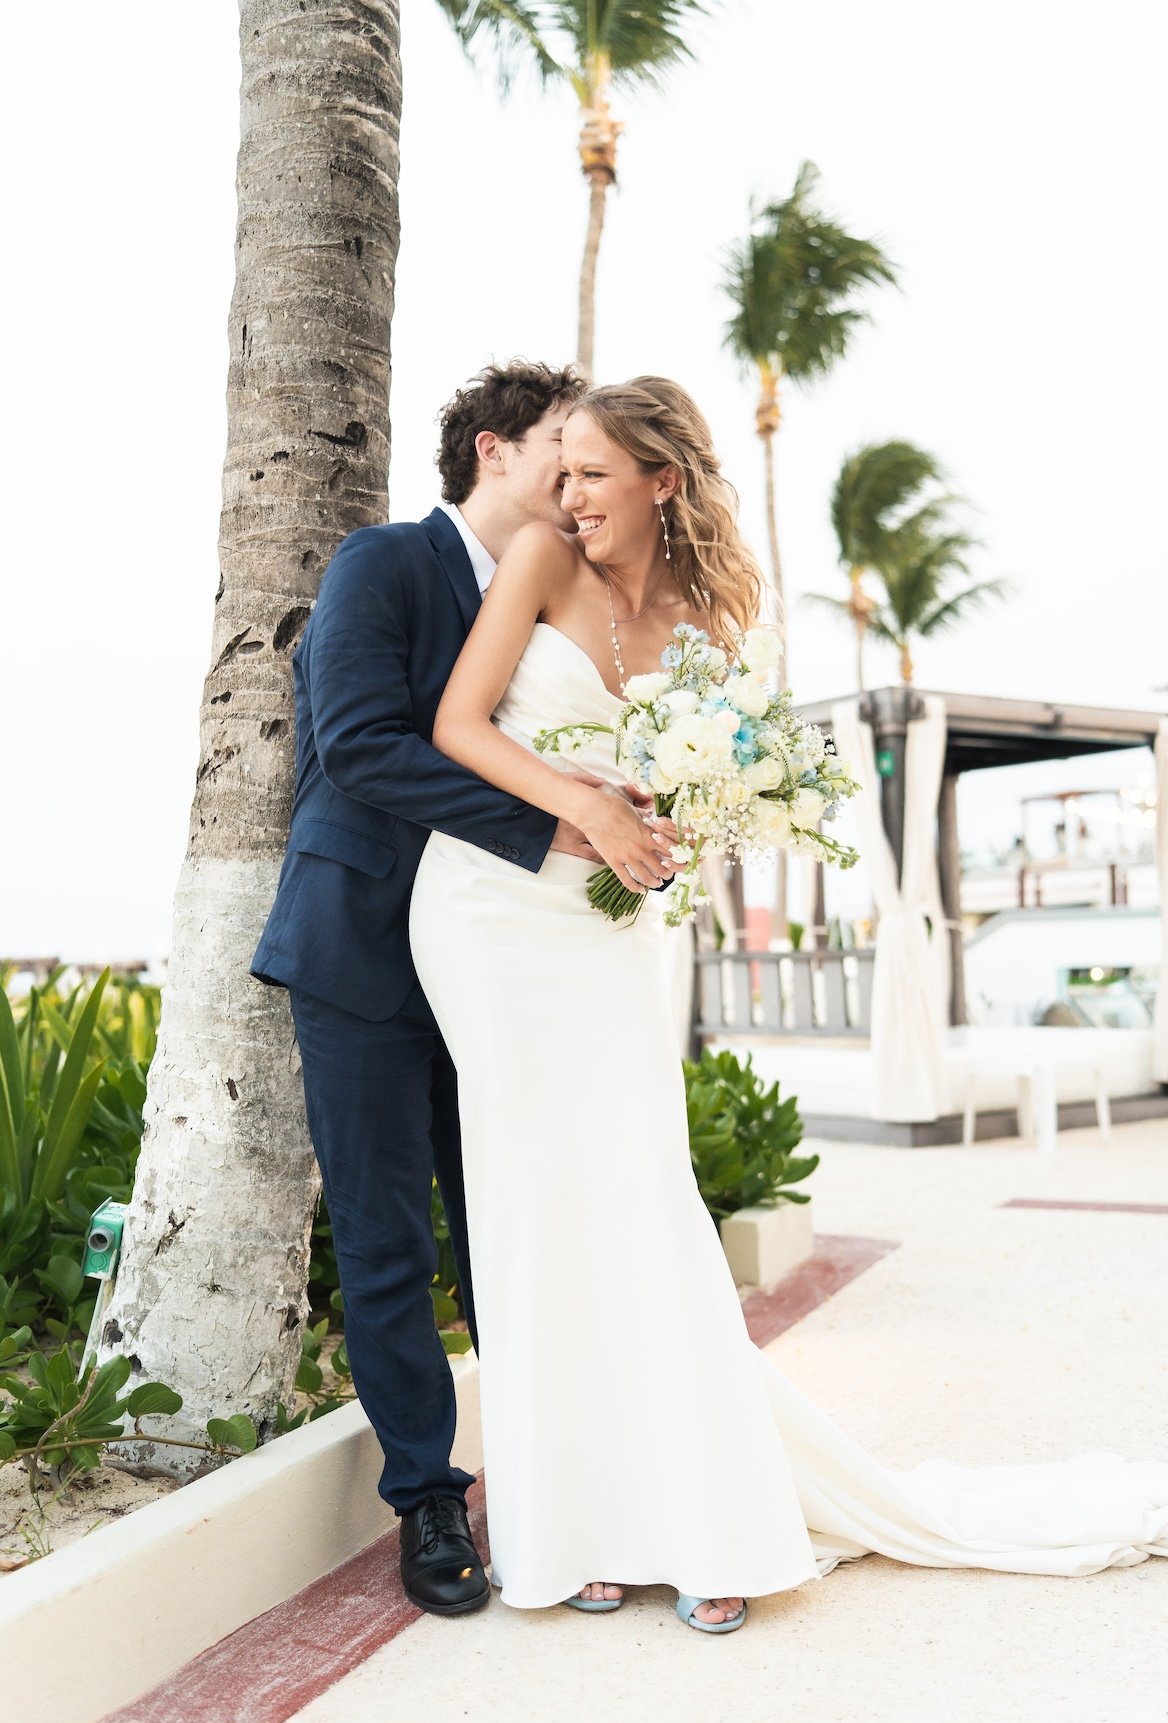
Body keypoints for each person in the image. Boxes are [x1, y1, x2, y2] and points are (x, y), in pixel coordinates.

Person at [408, 375, 1168, 1634]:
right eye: (564, 468)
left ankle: (704, 1514)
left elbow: (716, 785)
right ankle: (574, 1526)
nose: (566, 491)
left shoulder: (711, 617)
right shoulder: (538, 559)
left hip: (608, 931)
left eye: (594, 471)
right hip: (489, 916)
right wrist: (583, 805)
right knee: (530, 1209)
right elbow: (455, 726)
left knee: (642, 1198)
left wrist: (679, 815)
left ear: (661, 479)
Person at [250, 361, 676, 1618]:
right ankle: (430, 1499)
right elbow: (361, 742)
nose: (579, 467)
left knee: (519, 1220)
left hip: (513, 960)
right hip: (364, 955)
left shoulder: (568, 591)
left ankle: (568, 1477)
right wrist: (555, 829)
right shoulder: (382, 564)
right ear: (496, 451)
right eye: (562, 443)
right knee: (390, 1239)